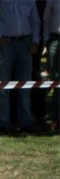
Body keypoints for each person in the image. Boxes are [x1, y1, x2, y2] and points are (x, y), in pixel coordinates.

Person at [0, 0, 41, 134]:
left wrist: (35, 41)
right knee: (2, 85)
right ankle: (3, 122)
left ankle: (26, 122)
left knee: (25, 85)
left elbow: (35, 20)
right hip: (5, 44)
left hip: (25, 44)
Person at [44, 0, 60, 129]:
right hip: (55, 39)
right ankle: (56, 118)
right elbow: (47, 20)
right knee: (56, 80)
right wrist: (46, 41)